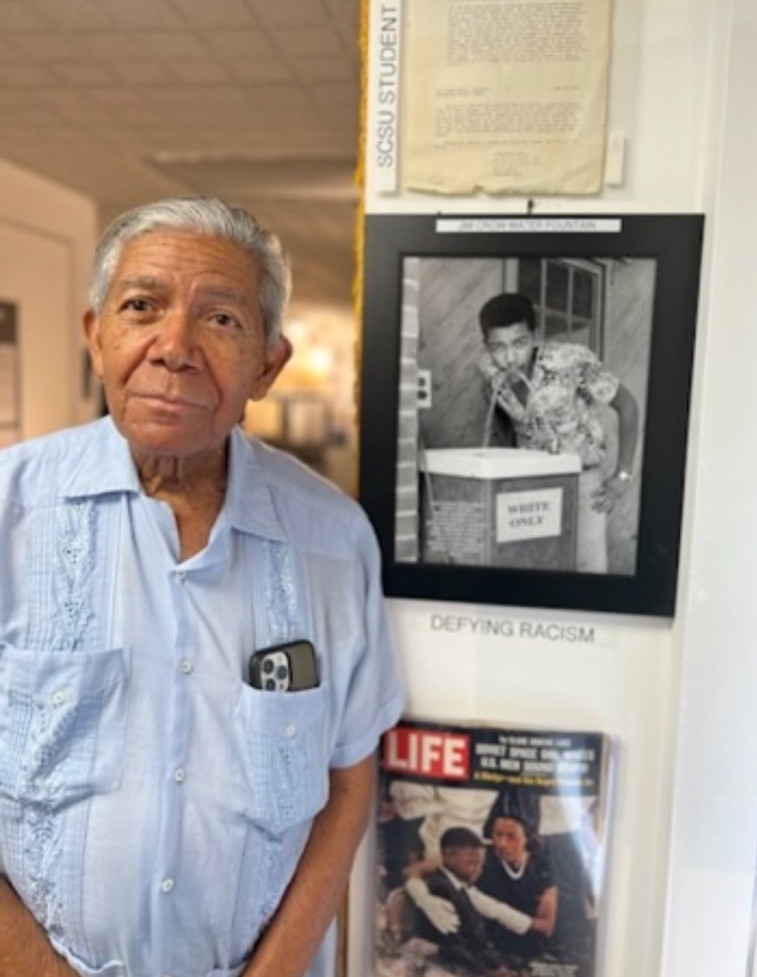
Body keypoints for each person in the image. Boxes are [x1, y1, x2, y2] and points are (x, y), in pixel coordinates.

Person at [0, 196, 405, 977]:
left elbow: (349, 779)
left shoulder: (333, 538)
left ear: (267, 364)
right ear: (96, 335)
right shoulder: (9, 512)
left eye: (220, 319)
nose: (174, 346)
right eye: (142, 306)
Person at [477, 291, 640, 573]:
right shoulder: (487, 369)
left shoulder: (570, 360)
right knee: (535, 569)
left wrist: (623, 475)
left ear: (534, 335)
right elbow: (503, 419)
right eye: (498, 347)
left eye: (520, 343)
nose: (510, 358)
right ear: (486, 346)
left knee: (588, 571)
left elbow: (628, 406)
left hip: (582, 481)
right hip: (528, 485)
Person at [402, 827, 535, 977]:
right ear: (448, 855)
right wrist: (487, 973)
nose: (477, 870)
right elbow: (454, 946)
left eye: (480, 865)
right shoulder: (441, 889)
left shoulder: (459, 888)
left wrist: (503, 965)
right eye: (471, 863)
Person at [476, 790, 557, 968]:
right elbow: (417, 870)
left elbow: (546, 926)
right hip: (485, 955)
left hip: (528, 955)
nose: (502, 843)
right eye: (498, 834)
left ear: (528, 837)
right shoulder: (479, 857)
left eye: (511, 836)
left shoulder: (541, 865)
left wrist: (498, 912)